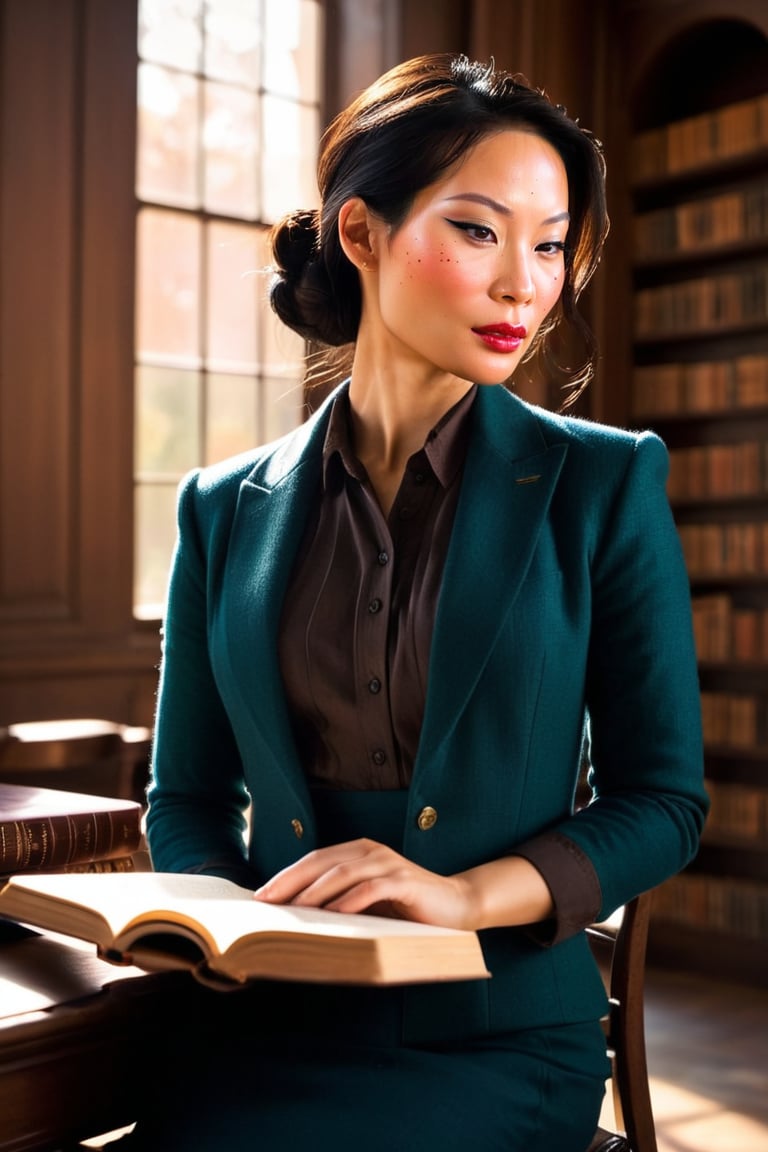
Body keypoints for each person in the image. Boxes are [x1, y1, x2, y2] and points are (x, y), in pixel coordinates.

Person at [133, 53, 708, 1151]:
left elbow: (665, 801)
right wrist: (225, 925)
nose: (523, 288)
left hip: (495, 1036)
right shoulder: (219, 508)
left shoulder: (603, 481)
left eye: (550, 247)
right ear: (361, 235)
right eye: (480, 232)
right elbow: (188, 796)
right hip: (266, 1018)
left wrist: (463, 898)